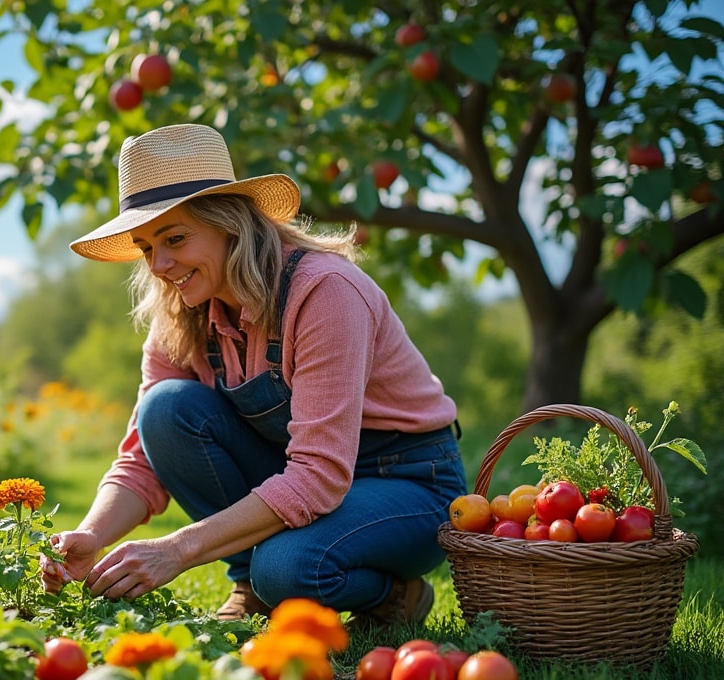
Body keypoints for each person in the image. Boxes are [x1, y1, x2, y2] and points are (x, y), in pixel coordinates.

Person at [40, 123, 466, 626]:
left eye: (175, 238)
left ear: (231, 225)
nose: (160, 264)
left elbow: (320, 475)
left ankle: (393, 594)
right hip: (302, 471)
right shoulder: (182, 312)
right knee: (167, 410)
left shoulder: (323, 292)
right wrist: (91, 534)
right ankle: (251, 586)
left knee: (286, 568)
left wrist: (176, 551)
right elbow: (143, 457)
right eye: (146, 247)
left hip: (409, 480)